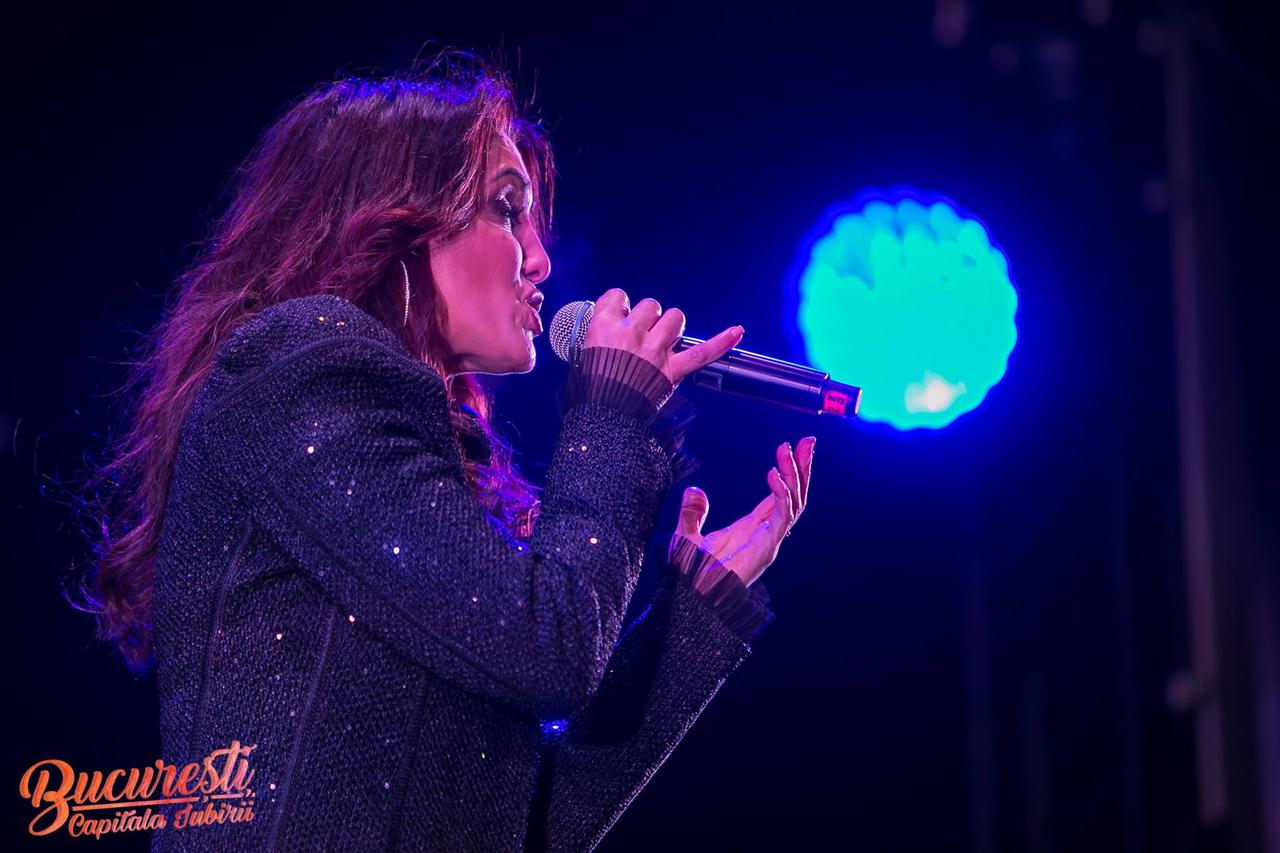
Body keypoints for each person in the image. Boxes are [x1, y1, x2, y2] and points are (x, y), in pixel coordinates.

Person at [72, 49, 816, 851]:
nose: (540, 259)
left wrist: (692, 609)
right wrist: (612, 410)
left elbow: (528, 824)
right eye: (506, 209)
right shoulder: (300, 367)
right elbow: (554, 650)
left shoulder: (422, 461)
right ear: (396, 219)